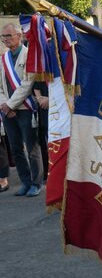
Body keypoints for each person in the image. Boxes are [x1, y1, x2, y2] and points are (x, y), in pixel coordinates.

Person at [0, 23, 43, 197]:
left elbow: (27, 84)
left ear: (19, 36)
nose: (5, 39)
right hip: (7, 110)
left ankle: (36, 182)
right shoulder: (3, 59)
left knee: (32, 147)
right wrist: (5, 105)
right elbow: (0, 87)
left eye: (9, 36)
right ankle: (25, 182)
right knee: (16, 147)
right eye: (3, 36)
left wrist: (11, 104)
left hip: (25, 108)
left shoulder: (28, 55)